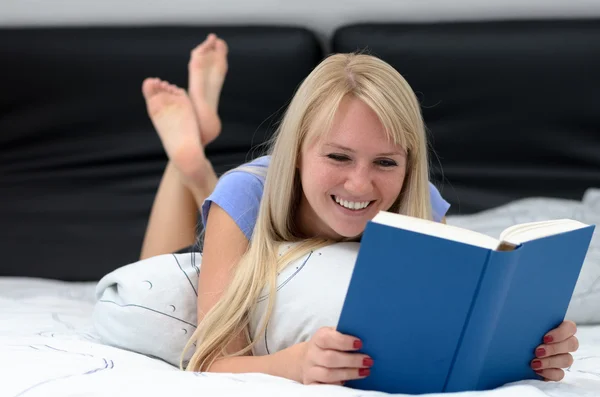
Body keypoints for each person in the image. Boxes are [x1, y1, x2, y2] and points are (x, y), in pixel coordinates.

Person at [139, 33, 579, 385]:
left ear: (408, 166)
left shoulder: (418, 203)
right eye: (338, 157)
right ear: (295, 153)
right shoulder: (244, 196)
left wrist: (527, 350)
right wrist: (291, 365)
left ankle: (195, 164)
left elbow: (448, 334)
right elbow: (210, 362)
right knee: (152, 275)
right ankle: (189, 165)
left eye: (386, 162)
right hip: (245, 201)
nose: (360, 184)